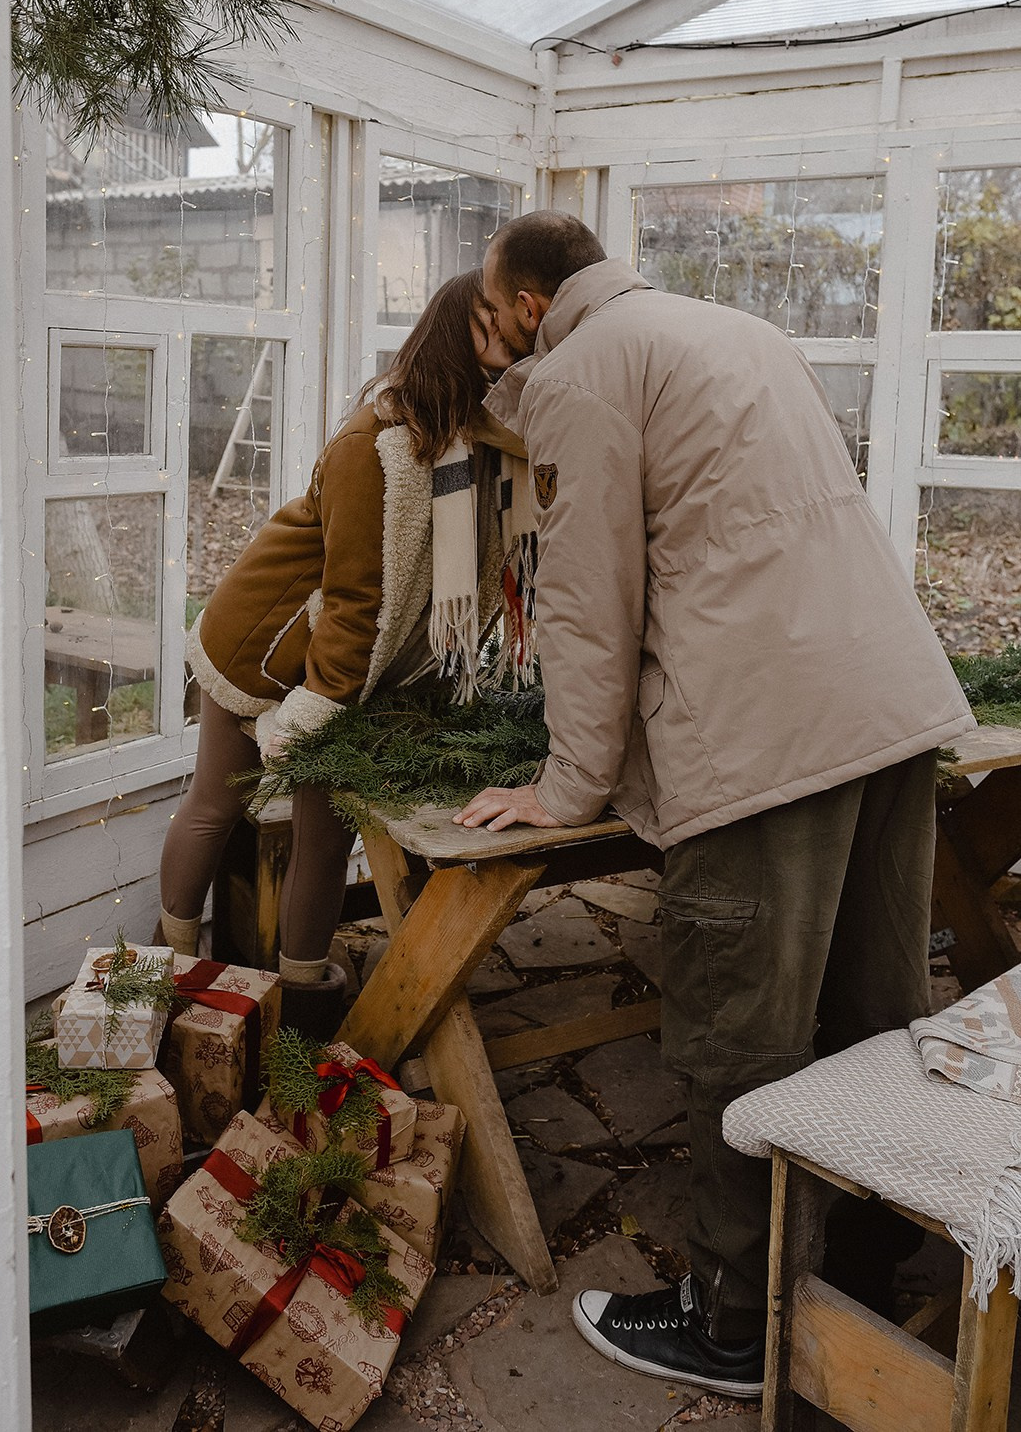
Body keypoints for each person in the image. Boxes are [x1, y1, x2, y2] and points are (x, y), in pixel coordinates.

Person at [457, 210, 974, 1397]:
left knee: (741, 1032)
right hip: (884, 703)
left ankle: (733, 1321)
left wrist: (565, 785)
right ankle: (875, 1262)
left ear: (533, 303)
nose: (499, 353)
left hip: (760, 734)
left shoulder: (582, 371)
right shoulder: (735, 328)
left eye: (498, 321)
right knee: (874, 1007)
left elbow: (590, 599)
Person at [159, 269, 532, 1035]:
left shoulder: (492, 444)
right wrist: (315, 708)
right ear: (449, 330)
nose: (503, 349)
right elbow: (356, 597)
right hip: (265, 640)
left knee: (324, 827)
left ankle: (302, 1000)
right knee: (216, 801)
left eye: (515, 336)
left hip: (351, 660)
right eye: (486, 329)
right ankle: (164, 970)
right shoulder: (376, 444)